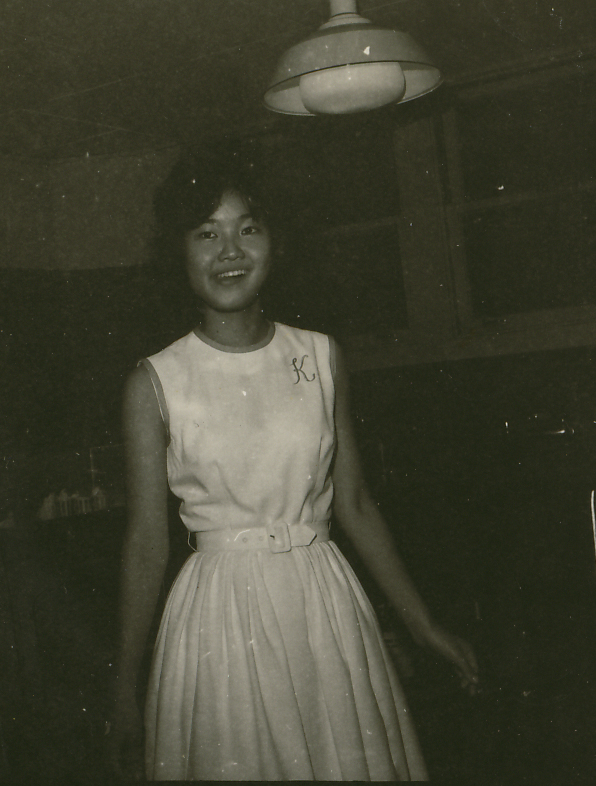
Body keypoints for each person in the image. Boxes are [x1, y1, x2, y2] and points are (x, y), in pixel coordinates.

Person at [107, 148, 478, 781]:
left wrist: (423, 626)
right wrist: (123, 688)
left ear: (276, 243)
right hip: (219, 620)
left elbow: (354, 504)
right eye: (206, 233)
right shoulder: (155, 382)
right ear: (178, 253)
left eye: (248, 228)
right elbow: (146, 543)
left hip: (322, 607)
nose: (230, 251)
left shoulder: (321, 356)